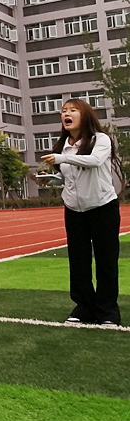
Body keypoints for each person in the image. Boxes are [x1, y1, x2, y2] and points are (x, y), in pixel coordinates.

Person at [41, 99, 120, 325]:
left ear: (84, 115)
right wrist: (53, 178)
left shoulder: (100, 139)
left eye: (73, 110)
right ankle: (84, 308)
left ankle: (107, 312)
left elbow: (94, 162)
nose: (66, 114)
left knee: (106, 261)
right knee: (78, 261)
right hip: (74, 210)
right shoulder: (64, 145)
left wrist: (62, 158)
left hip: (102, 207)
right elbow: (70, 176)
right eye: (64, 111)